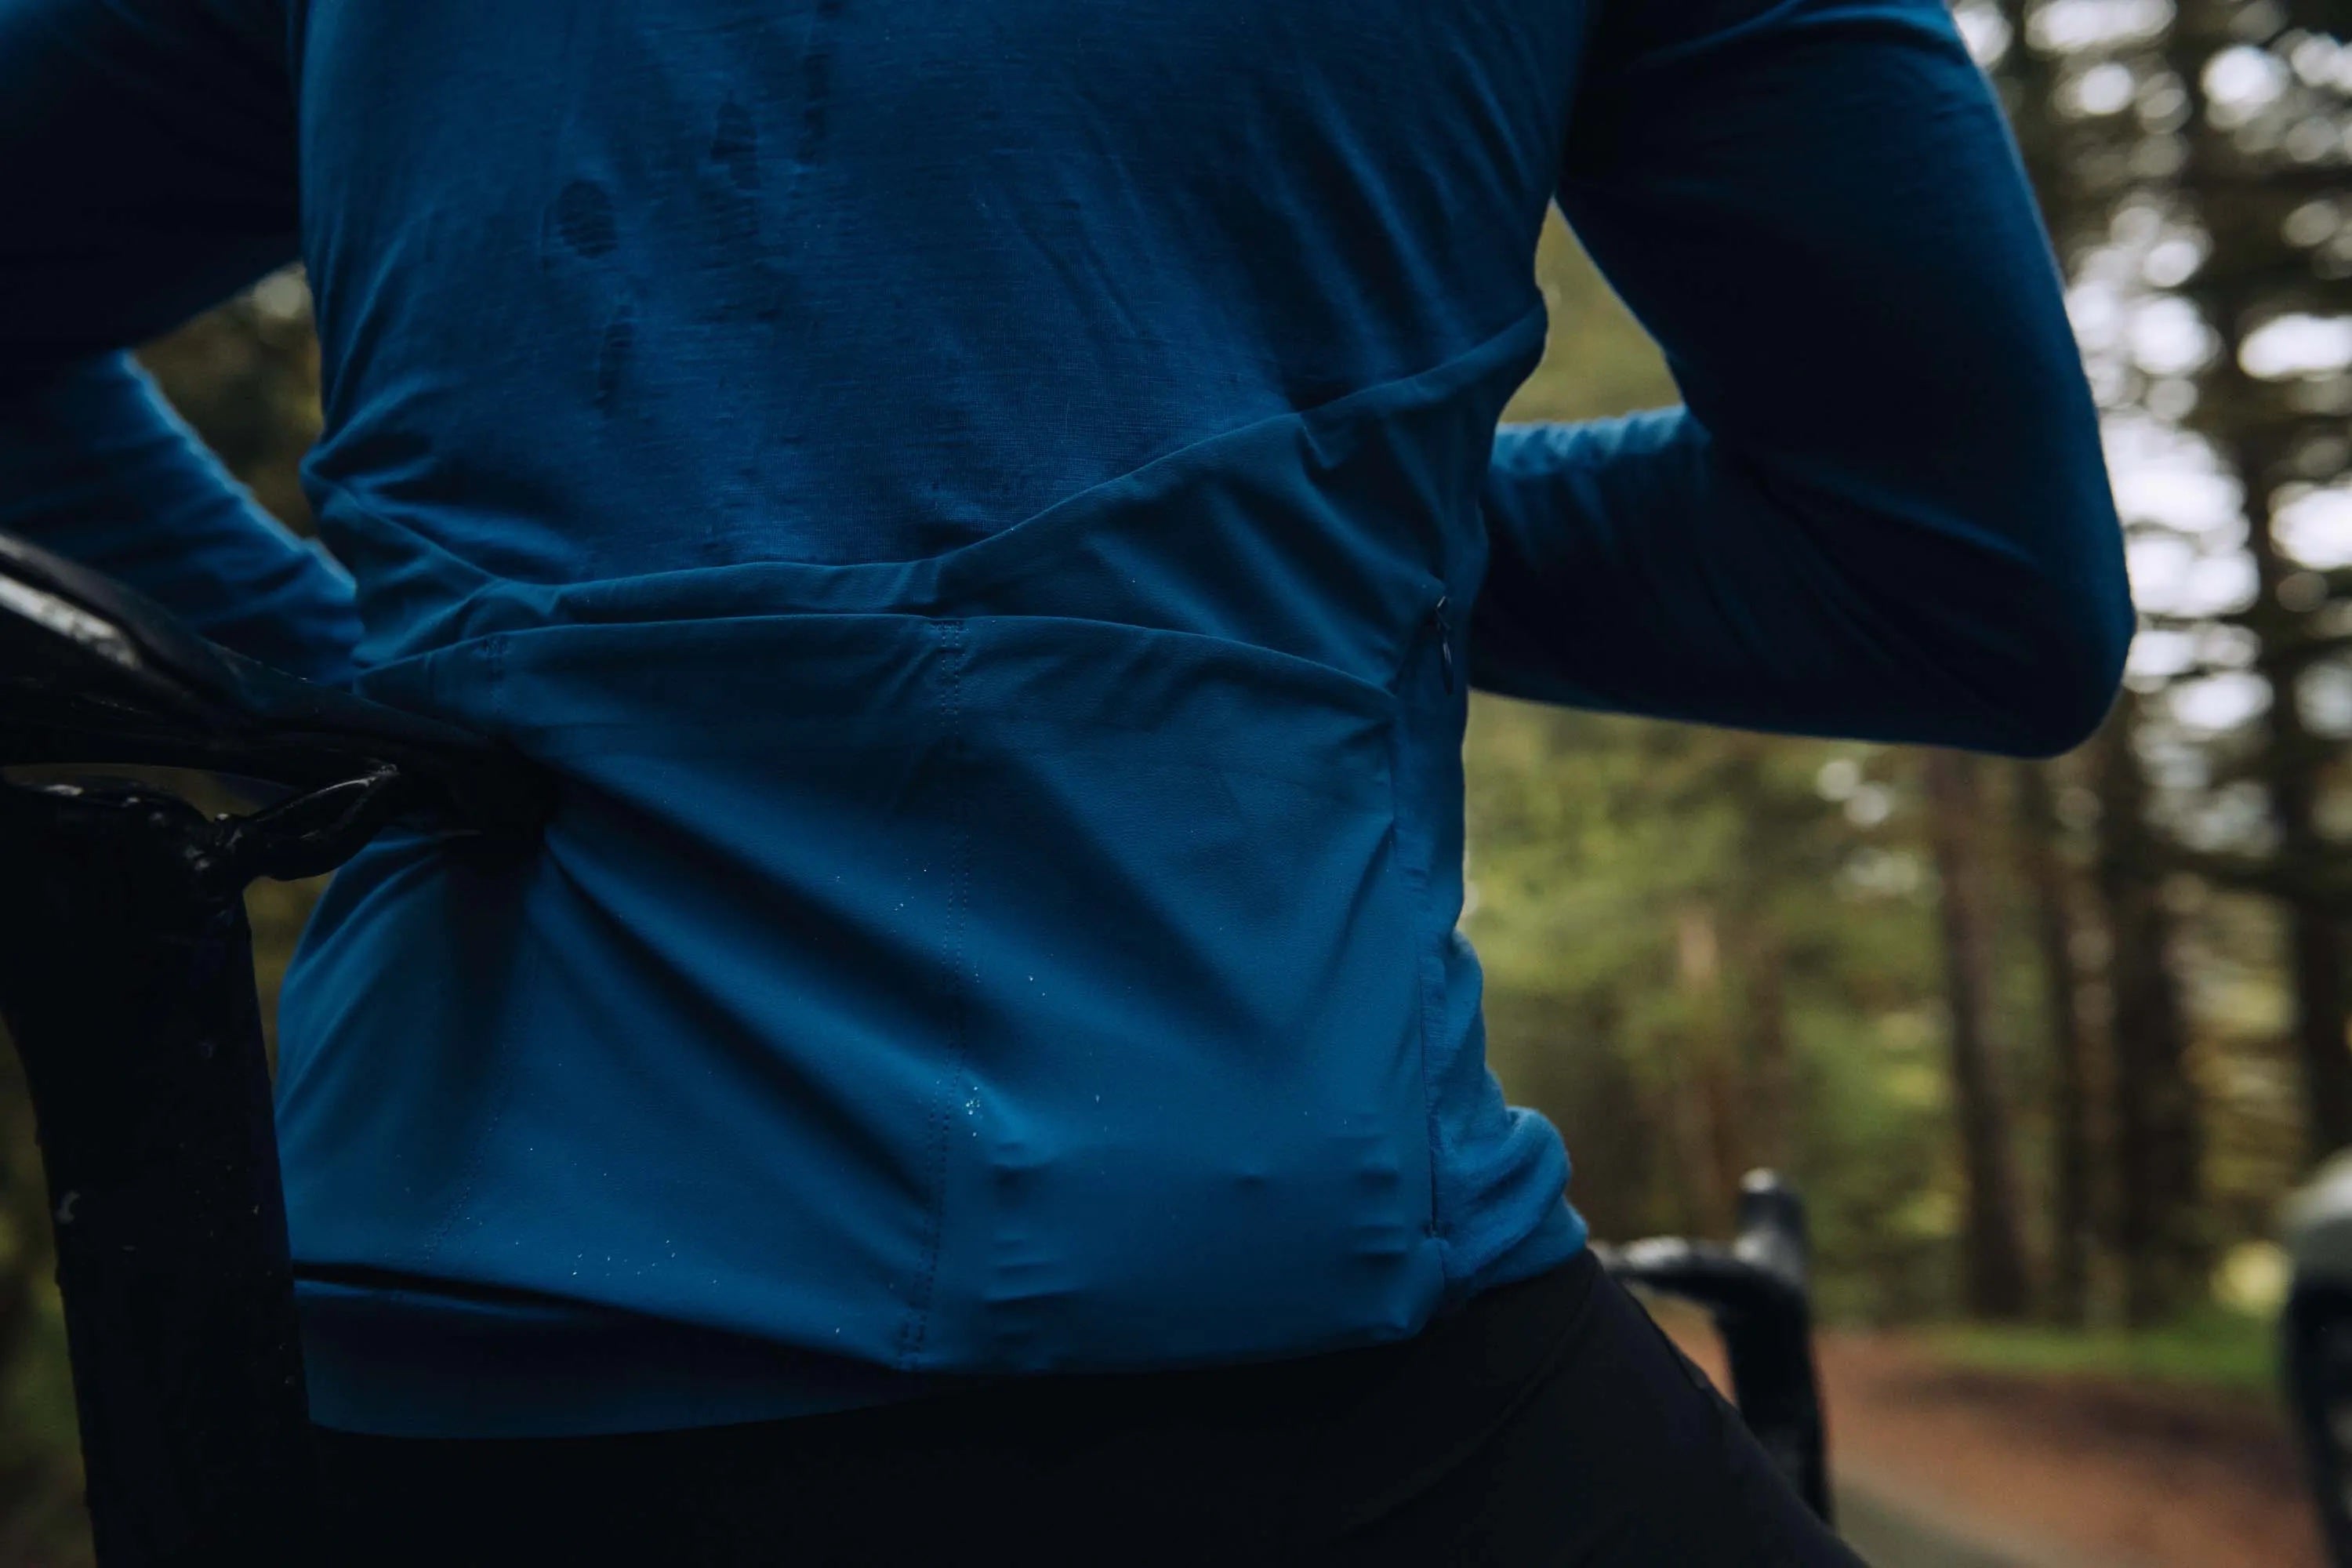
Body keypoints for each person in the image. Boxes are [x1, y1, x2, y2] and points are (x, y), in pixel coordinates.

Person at [0, 0, 2132, 1561]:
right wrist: (1295, 538)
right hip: (1290, 1349)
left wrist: (381, 679)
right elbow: (1955, 586)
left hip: (423, 1354)